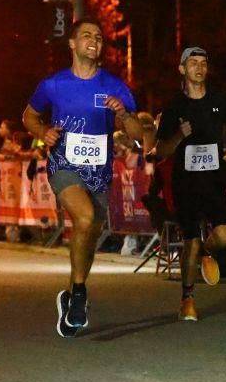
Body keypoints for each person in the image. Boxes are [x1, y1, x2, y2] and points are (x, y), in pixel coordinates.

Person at [22, 17, 144, 338]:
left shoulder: (114, 86)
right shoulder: (53, 85)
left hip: (99, 171)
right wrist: (43, 132)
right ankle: (79, 294)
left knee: (89, 233)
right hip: (64, 163)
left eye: (99, 37)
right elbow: (29, 116)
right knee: (86, 216)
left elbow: (137, 134)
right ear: (72, 44)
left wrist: (123, 114)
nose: (94, 41)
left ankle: (72, 294)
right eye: (87, 35)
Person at [154, 46, 226, 322]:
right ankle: (187, 299)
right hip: (186, 184)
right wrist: (179, 135)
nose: (199, 68)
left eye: (203, 63)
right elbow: (161, 150)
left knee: (224, 237)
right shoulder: (174, 107)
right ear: (182, 69)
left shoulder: (220, 101)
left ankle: (206, 250)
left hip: (214, 181)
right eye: (193, 63)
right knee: (190, 241)